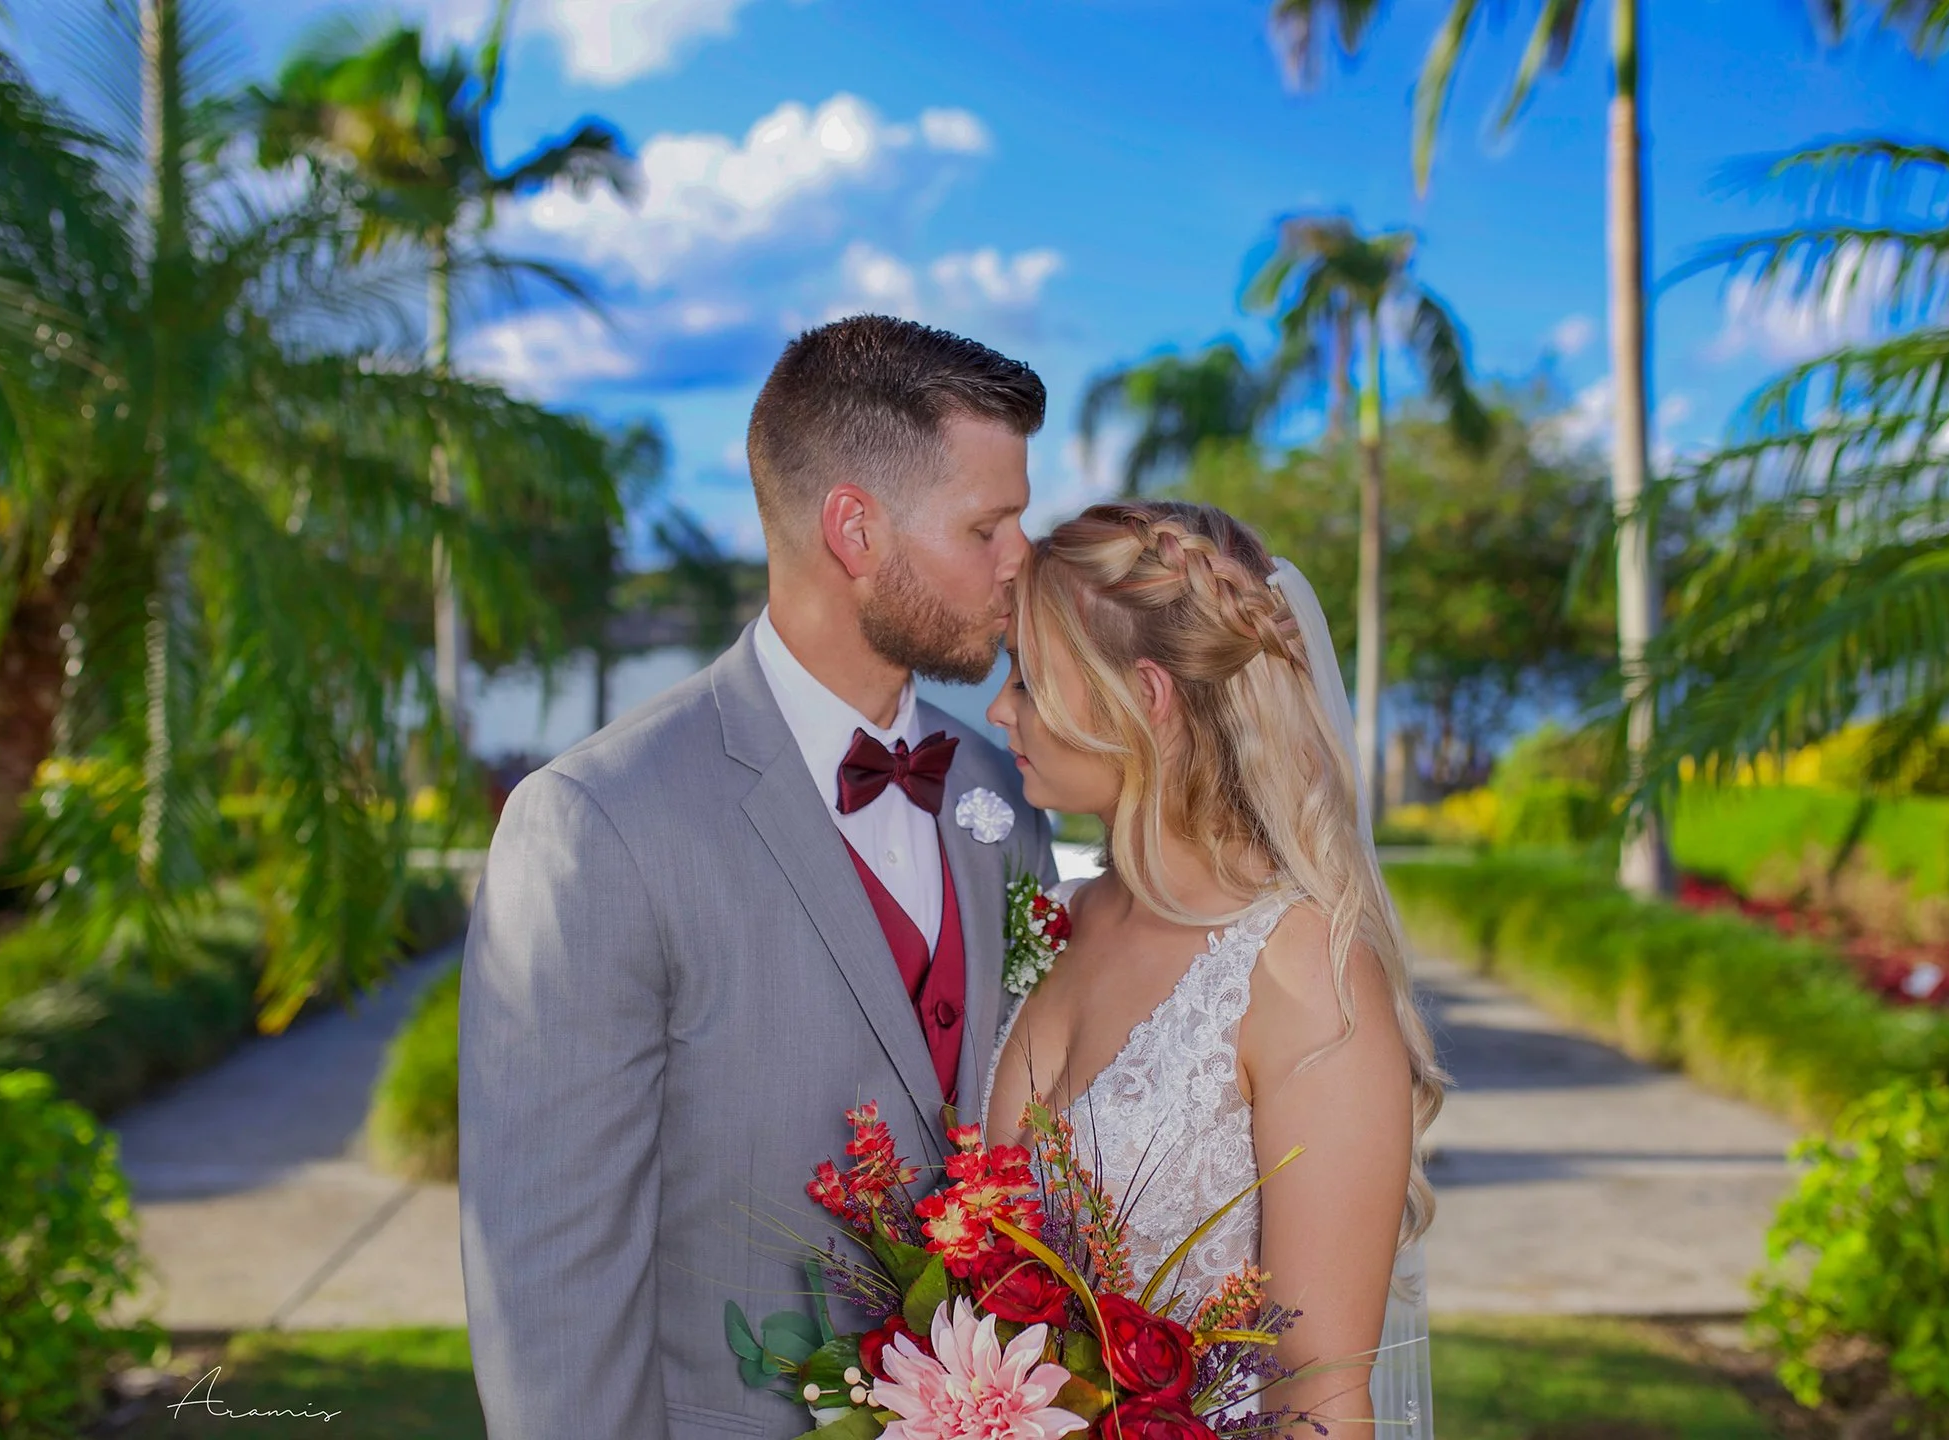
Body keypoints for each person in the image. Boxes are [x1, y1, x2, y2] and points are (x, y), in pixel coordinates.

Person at [458, 314, 1058, 1440]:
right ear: (855, 531)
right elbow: (550, 1299)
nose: (1021, 558)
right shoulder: (595, 825)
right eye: (988, 524)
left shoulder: (999, 794)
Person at [981, 498, 1448, 1435]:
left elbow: (1319, 1394)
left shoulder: (1304, 975)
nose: (999, 711)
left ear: (1146, 698)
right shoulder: (1059, 918)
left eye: (1030, 681)